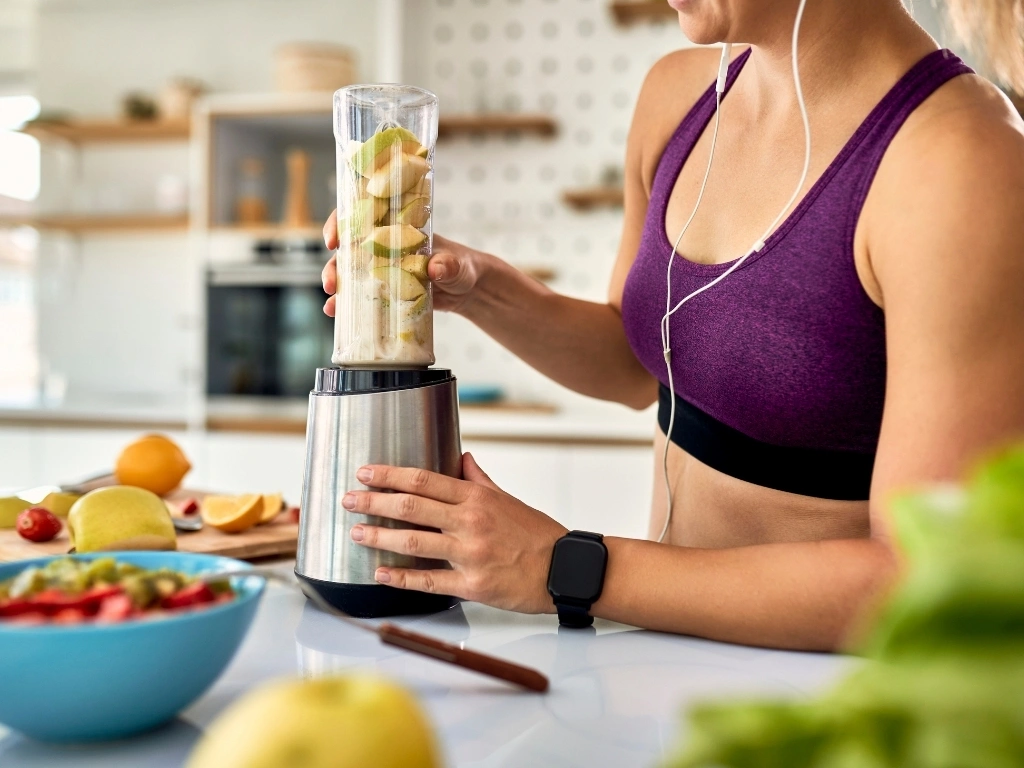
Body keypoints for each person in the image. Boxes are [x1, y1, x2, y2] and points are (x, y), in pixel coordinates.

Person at [320, 0, 1024, 651]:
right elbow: (637, 367)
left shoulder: (960, 160)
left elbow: (928, 577)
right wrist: (480, 288)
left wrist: (563, 566)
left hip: (823, 686)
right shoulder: (680, 95)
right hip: (659, 651)